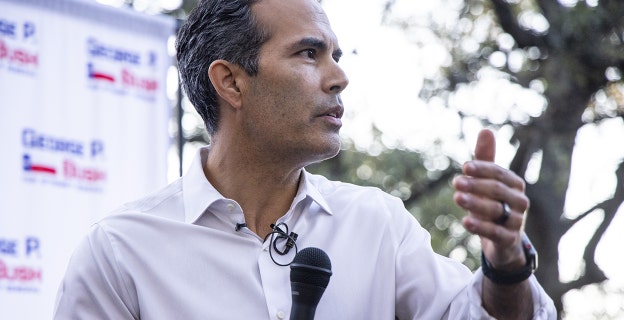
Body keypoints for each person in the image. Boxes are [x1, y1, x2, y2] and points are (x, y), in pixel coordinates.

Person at [53, 0, 556, 318]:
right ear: (230, 82)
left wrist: (506, 260)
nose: (338, 77)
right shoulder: (119, 252)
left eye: (336, 55)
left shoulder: (377, 223)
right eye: (309, 54)